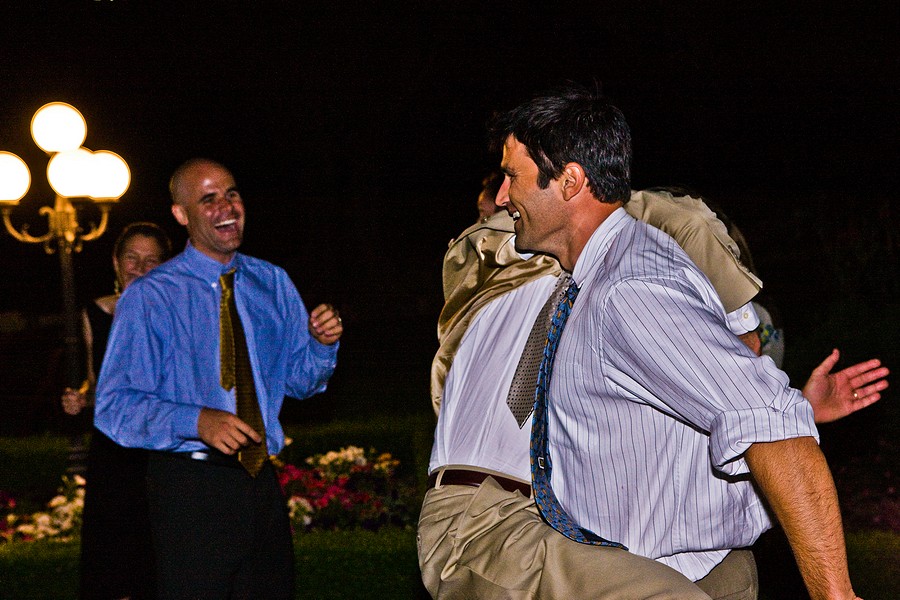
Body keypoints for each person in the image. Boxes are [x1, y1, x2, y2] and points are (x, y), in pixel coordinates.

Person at [421, 179, 888, 598]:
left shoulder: (595, 286)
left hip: (560, 520)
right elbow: (672, 217)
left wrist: (796, 405)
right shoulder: (557, 274)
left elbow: (704, 415)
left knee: (733, 573)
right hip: (491, 513)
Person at [492, 84, 868, 599]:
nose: (501, 197)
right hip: (627, 577)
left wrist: (837, 597)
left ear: (570, 180)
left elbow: (771, 426)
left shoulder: (628, 289)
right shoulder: (603, 273)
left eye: (512, 176)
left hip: (678, 582)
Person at [95, 158, 343, 599]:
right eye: (208, 199)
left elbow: (301, 381)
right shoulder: (150, 297)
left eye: (232, 193)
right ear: (181, 214)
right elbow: (114, 407)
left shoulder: (272, 282)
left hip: (260, 483)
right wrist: (196, 421)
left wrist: (322, 344)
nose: (226, 207)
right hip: (189, 488)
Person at [61, 222, 171, 600]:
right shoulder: (95, 313)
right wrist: (80, 397)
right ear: (116, 261)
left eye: (151, 261)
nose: (139, 268)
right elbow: (98, 383)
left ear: (165, 266)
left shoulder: (174, 314)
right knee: (112, 559)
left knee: (156, 556)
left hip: (159, 446)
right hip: (112, 448)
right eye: (132, 258)